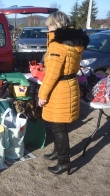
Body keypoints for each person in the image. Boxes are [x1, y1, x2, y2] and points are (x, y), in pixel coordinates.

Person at [37, 11, 89, 175]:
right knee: (58, 124)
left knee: (58, 127)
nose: (47, 27)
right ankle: (58, 152)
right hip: (69, 84)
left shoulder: (58, 45)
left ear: (55, 25)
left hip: (59, 88)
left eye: (49, 25)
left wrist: (42, 95)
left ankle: (64, 161)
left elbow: (52, 75)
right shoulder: (73, 42)